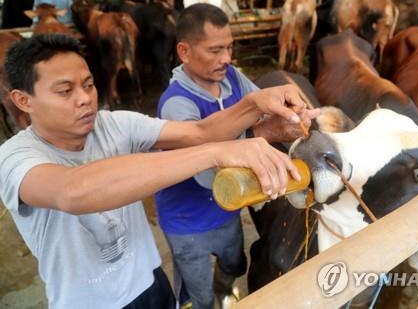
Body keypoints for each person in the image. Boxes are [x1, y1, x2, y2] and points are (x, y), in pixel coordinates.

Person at [0, 33, 316, 309]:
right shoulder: (15, 158)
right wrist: (216, 154)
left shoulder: (112, 124)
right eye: (65, 91)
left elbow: (201, 132)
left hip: (150, 280)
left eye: (89, 84)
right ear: (23, 100)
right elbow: (72, 191)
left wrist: (256, 103)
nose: (85, 99)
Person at [155, 4, 318, 309]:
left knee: (233, 265)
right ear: (184, 52)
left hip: (229, 209)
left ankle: (225, 291)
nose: (226, 59)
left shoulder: (231, 78)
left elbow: (263, 108)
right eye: (215, 50)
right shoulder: (176, 104)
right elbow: (209, 175)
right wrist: (267, 131)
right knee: (199, 294)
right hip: (189, 222)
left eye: (229, 48)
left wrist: (291, 118)